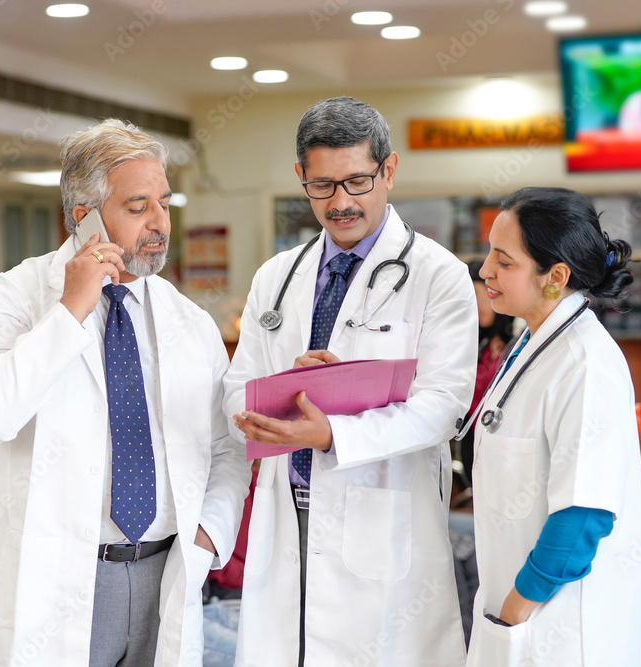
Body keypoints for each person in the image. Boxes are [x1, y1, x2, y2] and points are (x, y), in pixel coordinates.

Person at [0, 119, 249, 667]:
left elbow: (227, 447)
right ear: (85, 216)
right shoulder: (20, 294)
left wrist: (206, 536)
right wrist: (70, 310)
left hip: (166, 570)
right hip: (61, 579)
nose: (159, 224)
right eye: (137, 206)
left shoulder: (188, 321)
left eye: (164, 204)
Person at [225, 97, 478, 666]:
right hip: (285, 506)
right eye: (322, 186)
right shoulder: (276, 276)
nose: (341, 203)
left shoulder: (437, 276)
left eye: (358, 182)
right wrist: (278, 394)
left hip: (381, 509)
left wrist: (333, 433)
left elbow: (444, 406)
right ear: (301, 178)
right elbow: (234, 389)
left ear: (388, 171)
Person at [465, 187, 641, 666]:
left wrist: (513, 613)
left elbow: (582, 519)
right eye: (490, 252)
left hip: (563, 629)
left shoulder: (585, 363)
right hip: (524, 614)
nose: (485, 269)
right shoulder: (532, 342)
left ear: (555, 278)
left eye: (504, 261)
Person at [458, 263, 516, 484]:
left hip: (501, 448)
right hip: (473, 445)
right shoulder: (478, 344)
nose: (477, 305)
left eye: (480, 296)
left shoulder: (515, 343)